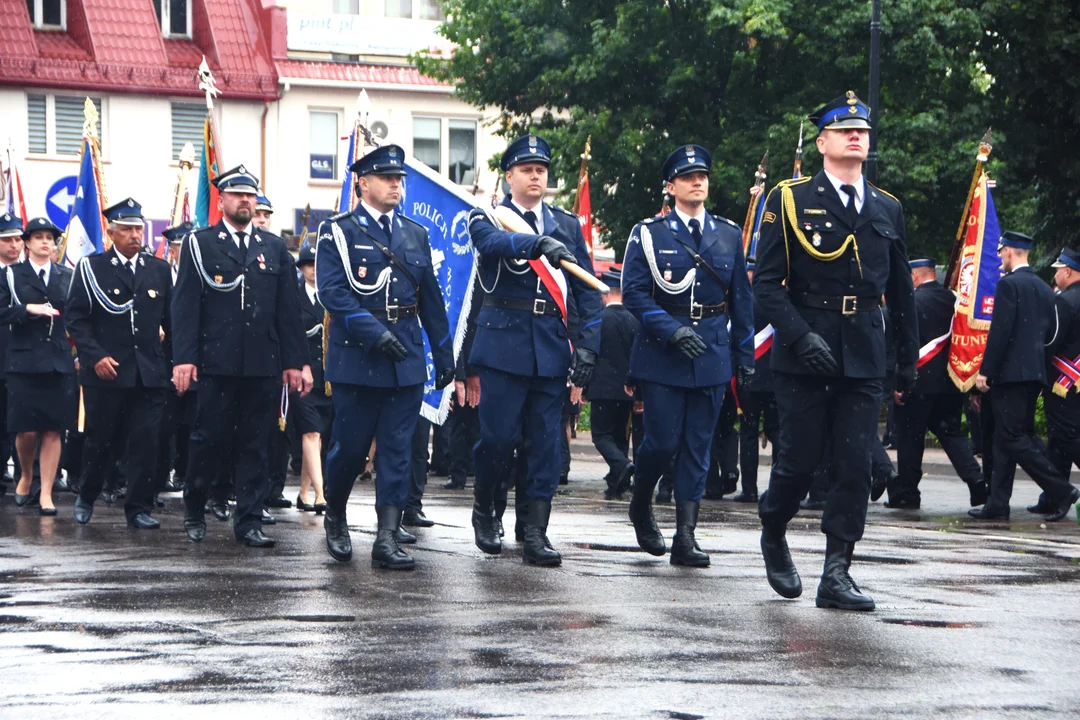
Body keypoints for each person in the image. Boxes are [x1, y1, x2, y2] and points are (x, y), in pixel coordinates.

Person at [753, 92, 918, 611]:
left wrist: (905, 362)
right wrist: (801, 337)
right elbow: (767, 285)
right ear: (821, 141)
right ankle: (773, 529)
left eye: (863, 131)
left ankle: (837, 572)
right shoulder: (789, 198)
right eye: (844, 130)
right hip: (806, 350)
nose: (856, 137)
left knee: (854, 465)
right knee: (798, 463)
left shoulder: (887, 206)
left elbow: (902, 291)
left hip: (864, 351)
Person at [465, 134, 602, 566]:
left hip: (551, 346)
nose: (536, 175)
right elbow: (490, 245)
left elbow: (586, 294)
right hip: (503, 344)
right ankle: (486, 510)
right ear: (509, 176)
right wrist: (533, 244)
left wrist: (588, 347)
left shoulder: (565, 225)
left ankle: (535, 530)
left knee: (545, 445)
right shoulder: (488, 216)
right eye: (526, 169)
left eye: (541, 169)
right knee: (498, 439)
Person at [316, 144, 454, 569]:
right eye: (387, 178)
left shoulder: (415, 233)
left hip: (406, 357)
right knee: (350, 449)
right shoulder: (338, 230)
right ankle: (336, 515)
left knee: (398, 449)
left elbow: (430, 300)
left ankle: (387, 537)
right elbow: (333, 293)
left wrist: (445, 353)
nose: (396, 185)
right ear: (363, 182)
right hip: (358, 357)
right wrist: (375, 335)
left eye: (400, 179)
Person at [622, 144, 755, 567]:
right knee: (660, 442)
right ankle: (641, 503)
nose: (698, 182)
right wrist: (672, 330)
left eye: (702, 176)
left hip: (712, 350)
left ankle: (685, 535)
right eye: (688, 176)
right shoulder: (650, 233)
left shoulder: (729, 233)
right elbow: (635, 295)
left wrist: (745, 355)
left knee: (699, 446)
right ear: (671, 186)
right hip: (664, 352)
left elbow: (742, 300)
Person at [172, 165, 310, 547]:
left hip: (261, 363)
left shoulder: (274, 247)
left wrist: (294, 362)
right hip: (216, 362)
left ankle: (248, 520)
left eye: (250, 194)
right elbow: (184, 306)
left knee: (256, 442)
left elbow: (288, 310)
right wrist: (184, 358)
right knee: (208, 438)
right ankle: (196, 506)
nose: (246, 200)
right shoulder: (201, 244)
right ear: (222, 199)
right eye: (237, 194)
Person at [65, 198, 172, 528]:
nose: (135, 235)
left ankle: (138, 508)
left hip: (148, 373)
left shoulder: (159, 269)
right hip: (108, 373)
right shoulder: (93, 267)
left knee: (145, 443)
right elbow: (76, 318)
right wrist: (94, 357)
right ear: (111, 233)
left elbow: (171, 321)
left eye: (138, 229)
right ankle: (87, 495)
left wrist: (173, 365)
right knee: (101, 441)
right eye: (126, 229)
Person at [970, 232, 1080, 521]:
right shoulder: (1045, 289)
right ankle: (997, 503)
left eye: (1001, 252)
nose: (1000, 257)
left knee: (1013, 437)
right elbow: (1047, 336)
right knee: (1004, 437)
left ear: (1009, 252)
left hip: (1010, 375)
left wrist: (985, 371)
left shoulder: (1008, 285)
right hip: (1033, 375)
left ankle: (1061, 489)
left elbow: (1000, 333)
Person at [887, 258, 986, 509]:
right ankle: (976, 481)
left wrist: (897, 381)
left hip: (917, 382)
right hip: (950, 381)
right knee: (951, 434)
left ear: (914, 276)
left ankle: (909, 493)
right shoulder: (955, 302)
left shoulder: (910, 302)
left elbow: (903, 345)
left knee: (911, 438)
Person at [0, 218, 72, 515]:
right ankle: (27, 474)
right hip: (24, 360)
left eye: (50, 237)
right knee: (27, 430)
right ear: (26, 242)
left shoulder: (66, 275)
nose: (45, 242)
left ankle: (46, 491)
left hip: (57, 359)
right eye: (38, 237)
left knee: (54, 429)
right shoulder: (11, 275)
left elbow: (78, 314)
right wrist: (26, 309)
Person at [585, 268, 639, 500]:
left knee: (601, 436)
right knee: (619, 437)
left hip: (602, 388)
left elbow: (591, 354)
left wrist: (584, 385)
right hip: (626, 388)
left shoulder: (599, 320)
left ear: (605, 294)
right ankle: (617, 481)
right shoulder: (634, 320)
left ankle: (621, 464)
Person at [732, 259, 779, 503]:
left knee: (748, 434)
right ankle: (779, 488)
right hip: (774, 375)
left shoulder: (742, 300)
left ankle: (749, 489)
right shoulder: (777, 299)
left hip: (748, 374)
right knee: (777, 432)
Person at [155, 222, 193, 494]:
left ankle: (184, 472)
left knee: (192, 422)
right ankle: (161, 475)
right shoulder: (162, 274)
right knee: (166, 423)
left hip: (195, 359)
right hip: (166, 357)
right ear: (172, 249)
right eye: (179, 247)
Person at [291, 243, 329, 514]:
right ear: (302, 268)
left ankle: (303, 493)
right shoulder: (293, 297)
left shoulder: (333, 295)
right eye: (308, 264)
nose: (314, 269)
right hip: (302, 376)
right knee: (311, 431)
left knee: (318, 438)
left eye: (317, 264)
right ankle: (321, 495)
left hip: (329, 377)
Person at [0, 214, 25, 492]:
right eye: (7, 240)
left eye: (18, 239)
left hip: (24, 358)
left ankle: (25, 474)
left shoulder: (27, 274)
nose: (14, 245)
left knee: (23, 420)